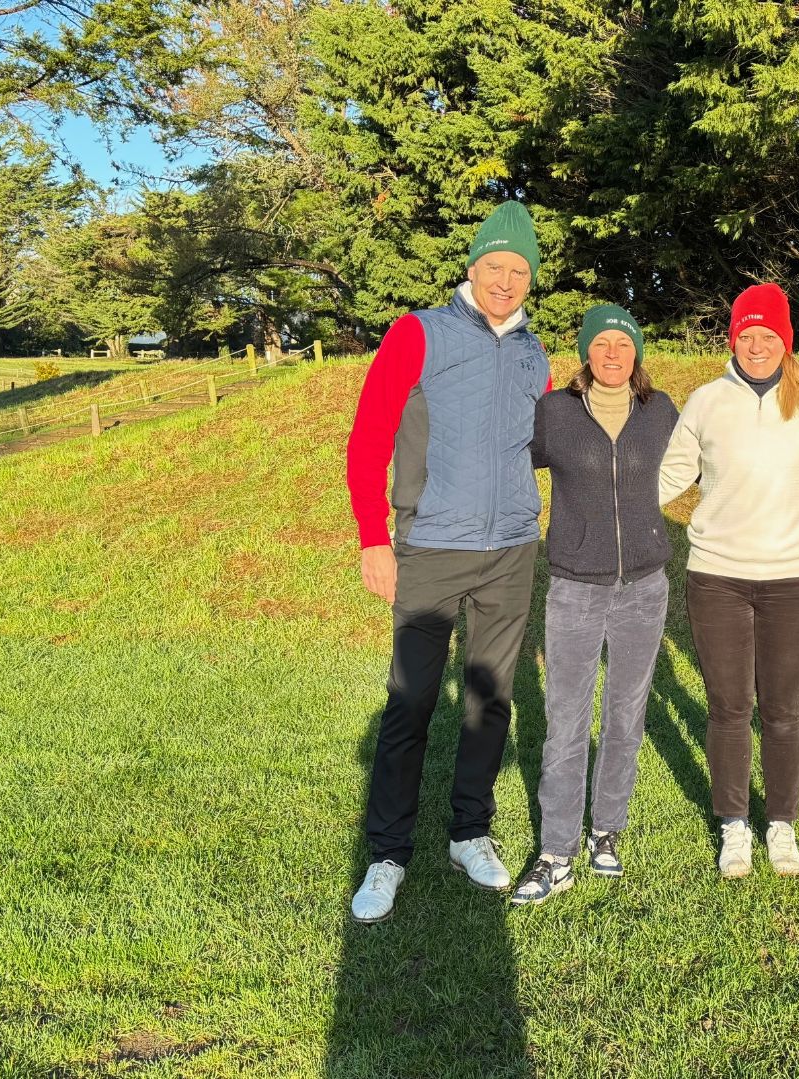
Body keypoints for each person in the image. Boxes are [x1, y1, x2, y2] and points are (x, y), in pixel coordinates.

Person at [343, 201, 552, 924]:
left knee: (489, 700)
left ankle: (469, 833)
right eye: (495, 265)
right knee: (410, 702)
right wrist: (373, 537)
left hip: (511, 549)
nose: (505, 280)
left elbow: (540, 443)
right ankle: (387, 853)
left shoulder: (533, 354)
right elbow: (369, 436)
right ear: (472, 266)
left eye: (518, 270)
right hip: (430, 545)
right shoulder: (418, 333)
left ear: (530, 279)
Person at [658, 283, 799, 879]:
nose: (758, 345)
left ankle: (782, 823)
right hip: (718, 578)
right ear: (733, 339)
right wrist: (608, 509)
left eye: (769, 335)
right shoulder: (706, 401)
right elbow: (669, 477)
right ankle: (735, 823)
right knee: (728, 707)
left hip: (793, 578)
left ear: (786, 341)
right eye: (748, 334)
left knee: (784, 709)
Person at [509, 304, 678, 905]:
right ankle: (557, 851)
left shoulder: (660, 411)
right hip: (575, 588)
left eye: (623, 345)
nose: (612, 354)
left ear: (637, 355)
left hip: (645, 589)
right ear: (586, 351)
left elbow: (705, 465)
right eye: (602, 343)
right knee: (566, 722)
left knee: (626, 715)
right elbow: (506, 456)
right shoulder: (555, 412)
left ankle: (606, 829)